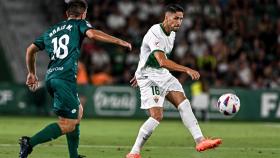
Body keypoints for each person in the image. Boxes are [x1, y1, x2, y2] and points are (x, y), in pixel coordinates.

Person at [19, 0, 131, 158]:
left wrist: (32, 73)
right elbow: (92, 34)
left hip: (52, 77)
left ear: (67, 14)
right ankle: (29, 143)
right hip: (63, 79)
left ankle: (74, 156)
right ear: (84, 14)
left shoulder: (51, 31)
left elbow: (30, 50)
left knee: (78, 112)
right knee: (68, 124)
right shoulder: (80, 24)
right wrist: (119, 41)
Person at [126, 4, 221, 158]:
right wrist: (187, 69)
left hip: (161, 73)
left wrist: (139, 68)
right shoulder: (156, 32)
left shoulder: (172, 34)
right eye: (176, 18)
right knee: (157, 116)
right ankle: (134, 152)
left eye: (181, 19)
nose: (179, 22)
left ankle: (200, 140)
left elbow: (146, 54)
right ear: (166, 17)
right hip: (148, 77)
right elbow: (162, 61)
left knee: (184, 102)